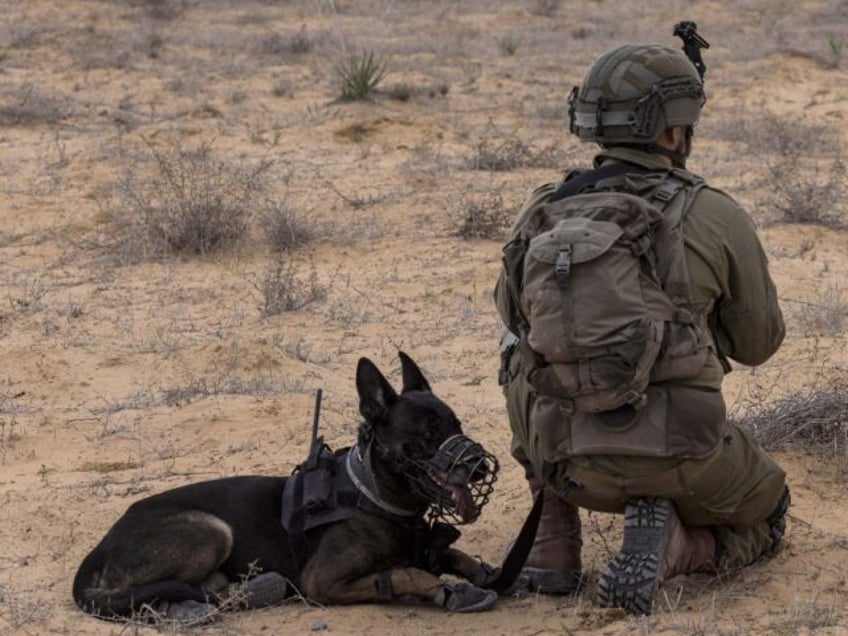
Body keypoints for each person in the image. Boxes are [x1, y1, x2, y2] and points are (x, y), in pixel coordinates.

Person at [493, 41, 789, 615]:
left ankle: (553, 537)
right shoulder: (715, 213)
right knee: (769, 512)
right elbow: (759, 345)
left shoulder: (542, 210)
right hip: (686, 460)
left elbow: (514, 320)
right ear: (675, 130)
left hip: (569, 463)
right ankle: (685, 545)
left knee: (515, 345)